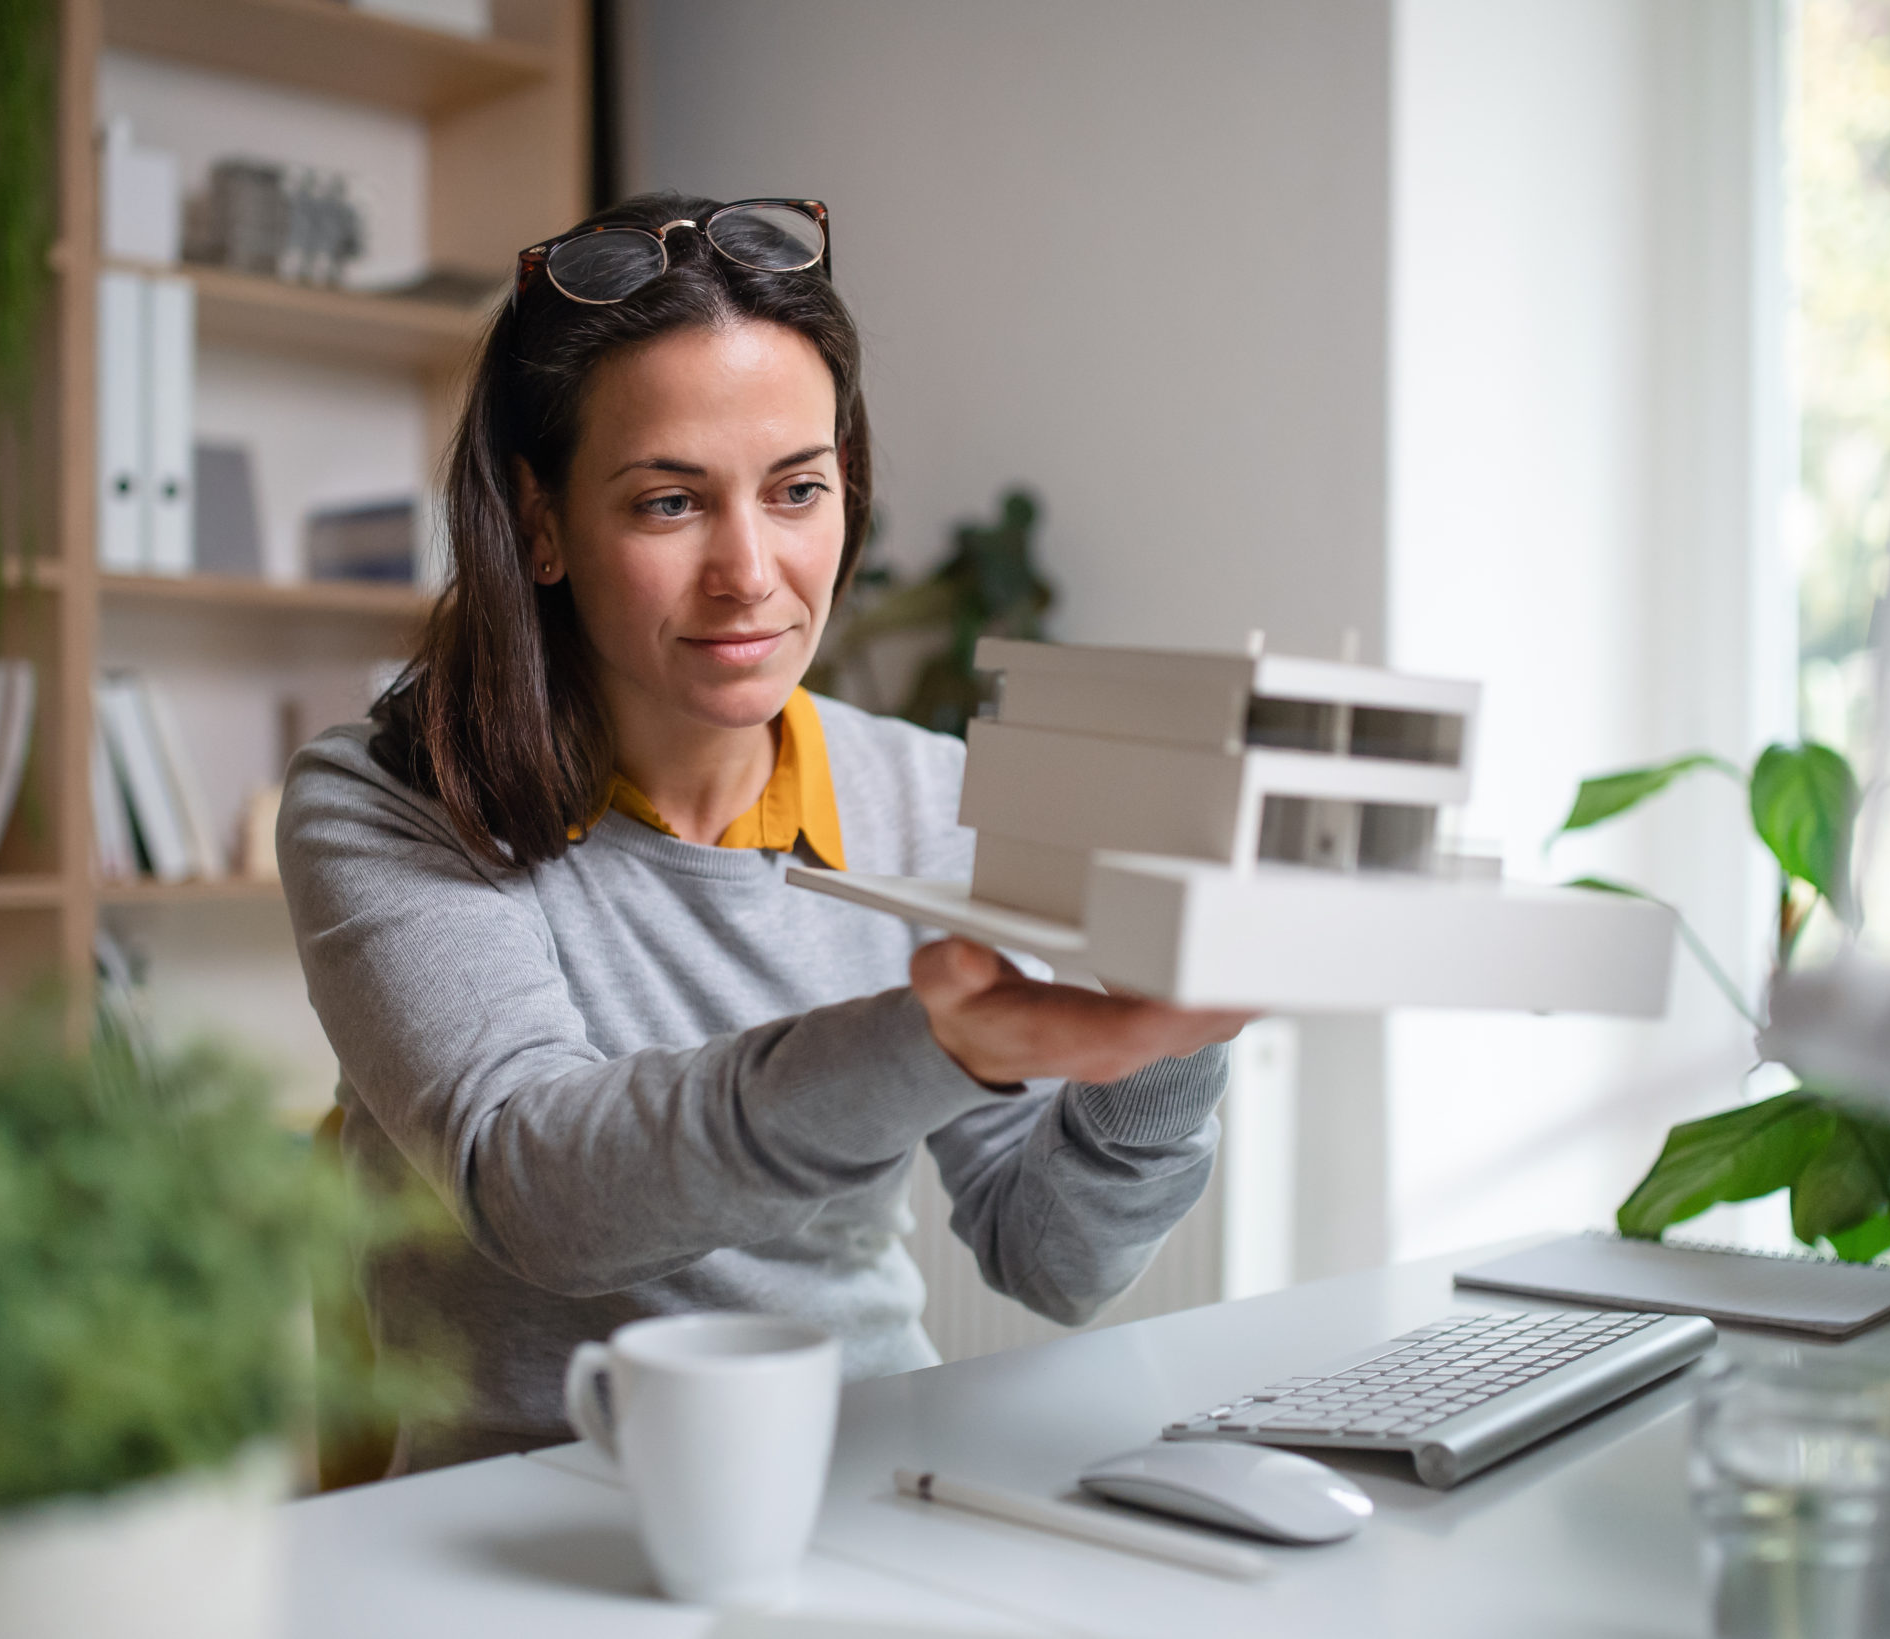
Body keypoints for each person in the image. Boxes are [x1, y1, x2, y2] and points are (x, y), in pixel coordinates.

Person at [279, 191, 1245, 1474]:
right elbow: (535, 1187)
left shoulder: (924, 792)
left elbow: (1050, 1260)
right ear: (541, 522)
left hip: (866, 1472)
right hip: (516, 1512)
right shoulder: (390, 796)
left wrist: (1175, 1035)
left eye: (797, 489)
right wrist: (937, 1038)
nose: (750, 570)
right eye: (669, 504)